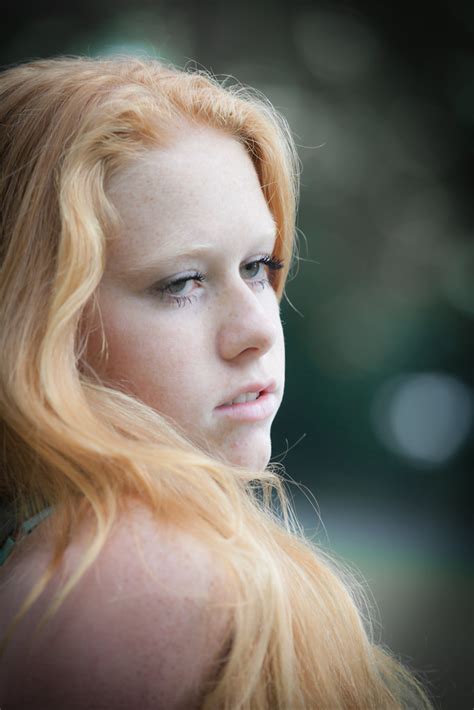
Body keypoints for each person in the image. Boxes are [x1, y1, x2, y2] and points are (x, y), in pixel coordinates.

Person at [0, 56, 431, 709]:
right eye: (182, 283)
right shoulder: (129, 581)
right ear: (36, 319)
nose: (258, 329)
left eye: (258, 266)